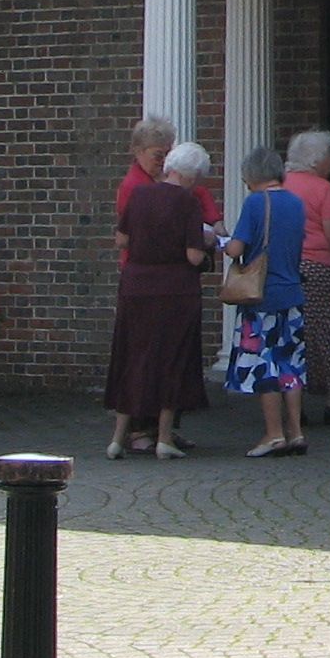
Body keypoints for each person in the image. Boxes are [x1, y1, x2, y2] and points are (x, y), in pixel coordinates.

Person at [105, 133, 214, 460]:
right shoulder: (188, 202)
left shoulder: (138, 194)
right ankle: (164, 438)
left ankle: (117, 438)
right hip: (175, 291)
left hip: (136, 286)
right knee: (171, 360)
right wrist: (209, 252)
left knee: (133, 358)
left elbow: (121, 240)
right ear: (191, 175)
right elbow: (194, 256)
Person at [219, 145, 310, 458]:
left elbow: (236, 249)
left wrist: (222, 242)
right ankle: (296, 431)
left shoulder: (256, 203)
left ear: (253, 175)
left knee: (265, 365)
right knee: (291, 364)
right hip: (293, 293)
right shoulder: (297, 204)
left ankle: (274, 434)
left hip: (262, 296)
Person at [281, 129, 330, 427]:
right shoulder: (323, 189)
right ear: (314, 160)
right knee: (327, 333)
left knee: (293, 334)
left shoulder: (282, 185)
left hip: (286, 268)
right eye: (328, 155)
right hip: (319, 268)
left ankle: (292, 403)